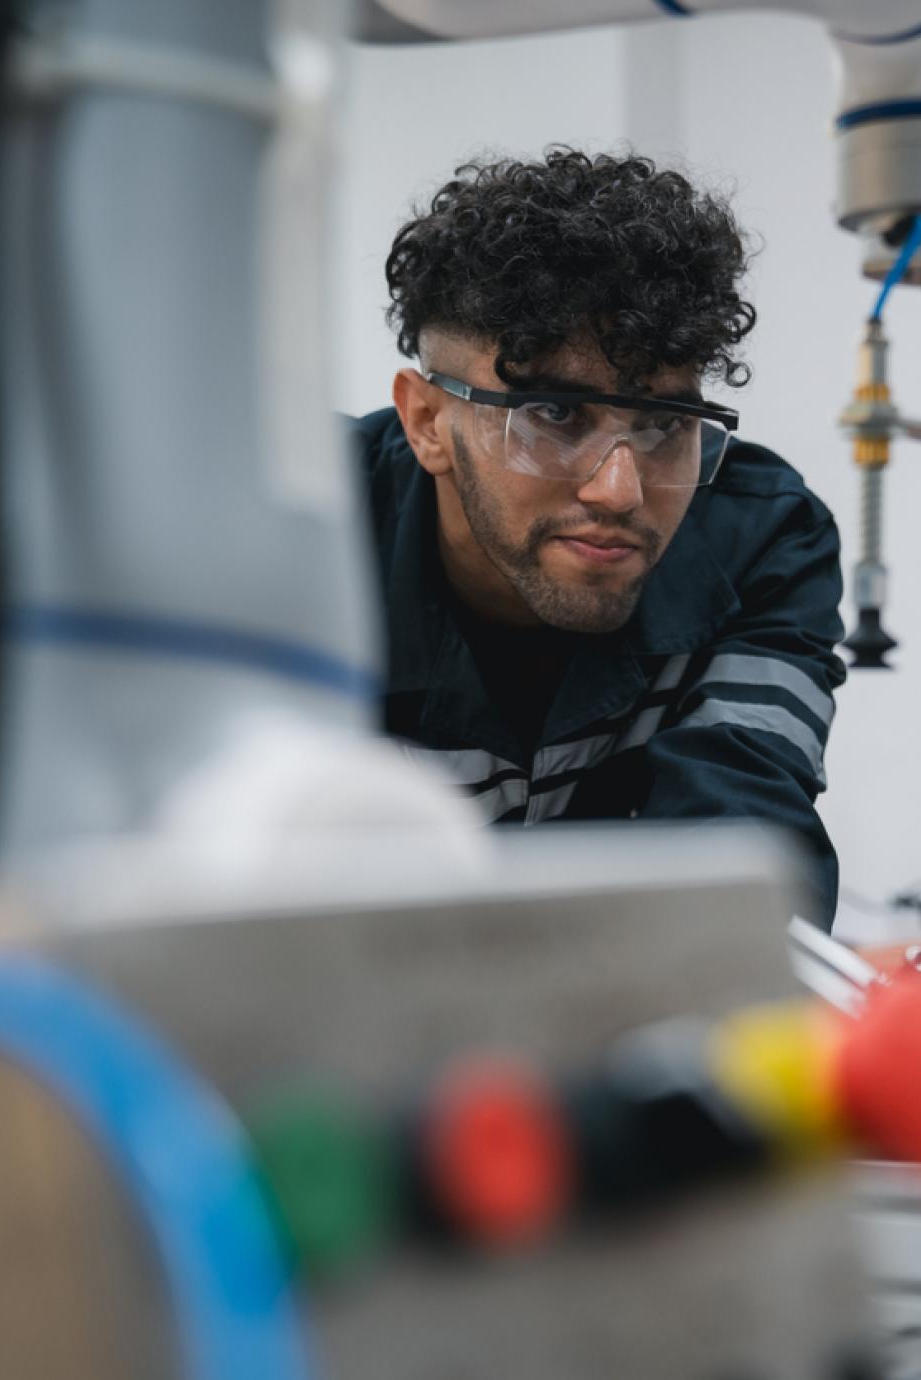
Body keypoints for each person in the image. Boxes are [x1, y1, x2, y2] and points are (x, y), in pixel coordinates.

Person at [352, 148, 845, 921]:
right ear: (426, 423)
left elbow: (743, 862)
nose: (620, 489)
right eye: (553, 416)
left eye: (662, 424)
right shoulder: (303, 535)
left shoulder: (761, 540)